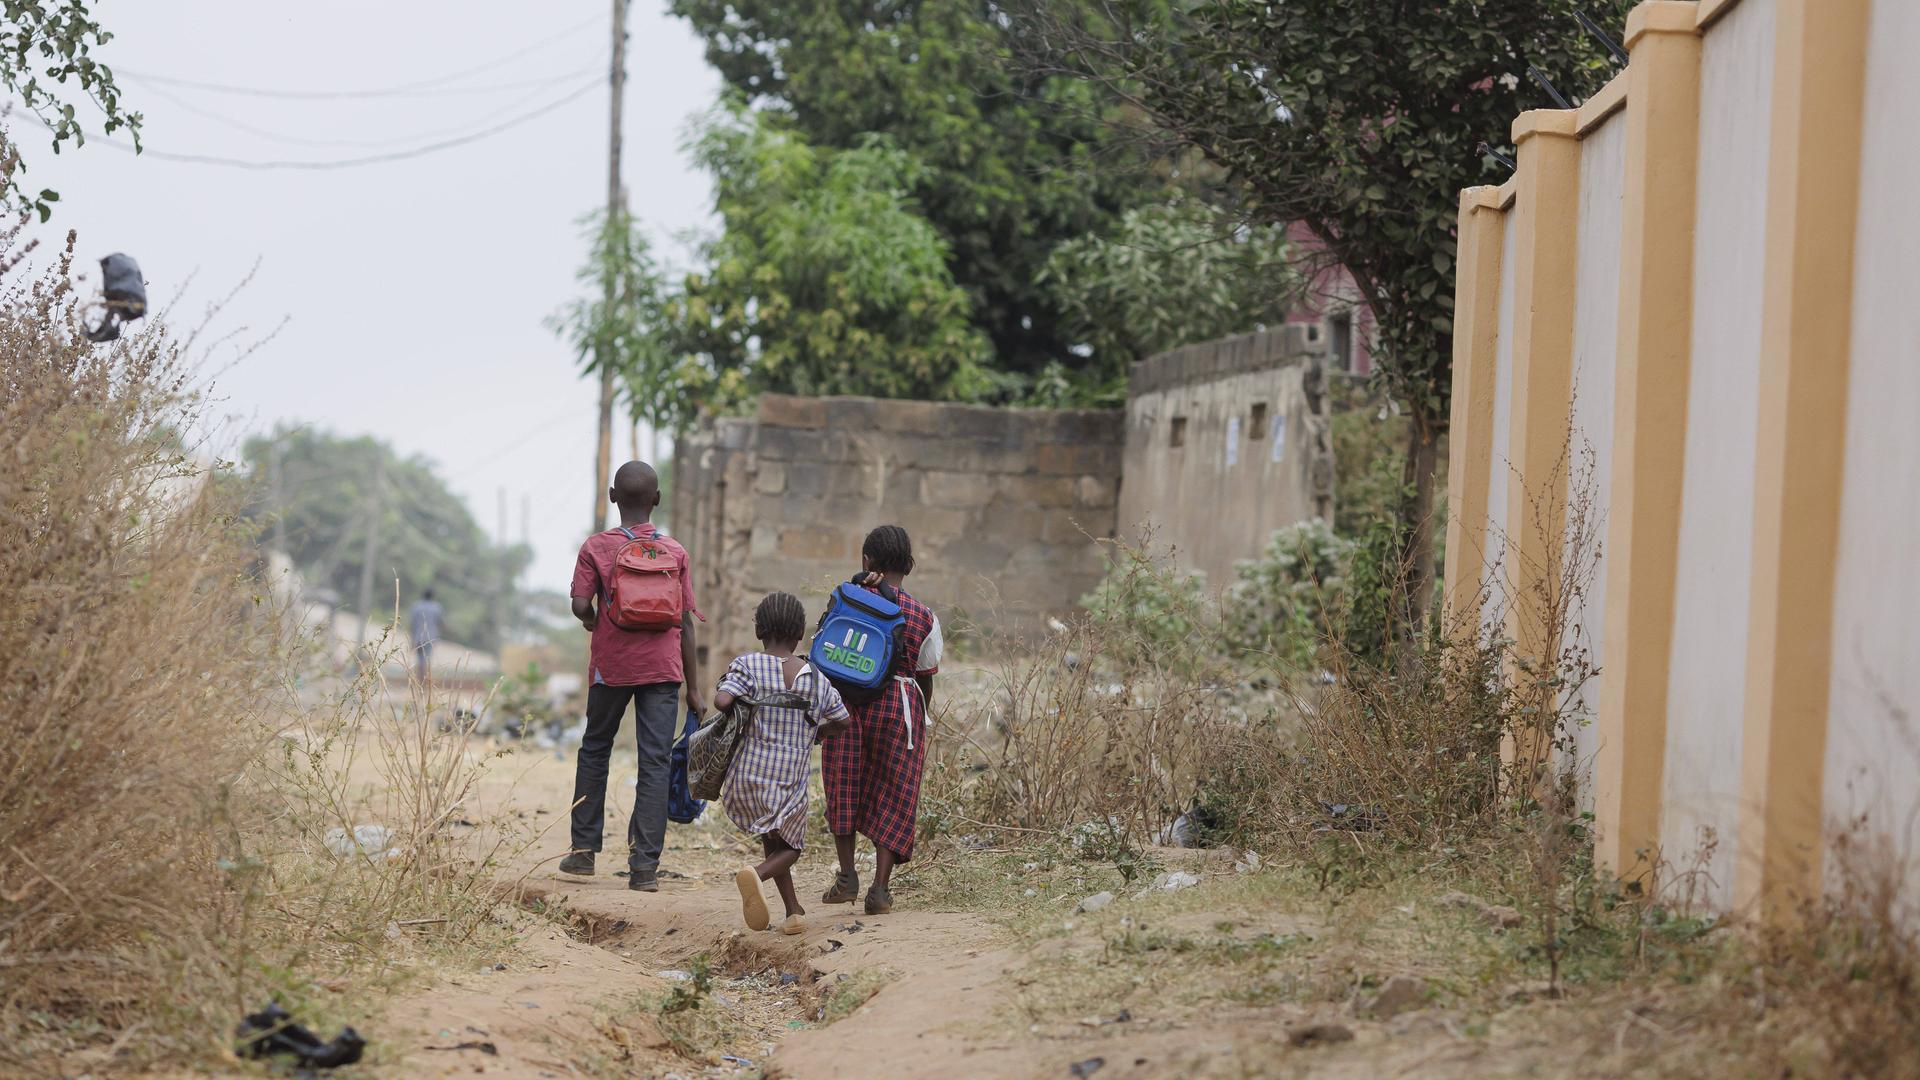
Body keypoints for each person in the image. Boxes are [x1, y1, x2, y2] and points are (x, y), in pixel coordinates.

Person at [559, 460, 703, 891]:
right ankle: (644, 869)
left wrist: (593, 620)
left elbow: (580, 605)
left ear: (612, 496)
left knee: (595, 749)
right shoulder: (674, 551)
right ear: (656, 500)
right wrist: (694, 689)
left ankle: (583, 854)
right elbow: (686, 621)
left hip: (611, 668)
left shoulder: (596, 548)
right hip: (663, 670)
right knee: (655, 761)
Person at [820, 525, 943, 915]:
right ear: (908, 566)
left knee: (843, 782)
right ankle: (880, 889)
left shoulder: (846, 597)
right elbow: (925, 675)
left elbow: (824, 645)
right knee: (894, 791)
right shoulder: (925, 616)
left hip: (846, 705)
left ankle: (846, 876)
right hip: (899, 706)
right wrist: (922, 715)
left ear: (866, 562)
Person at [714, 592, 850, 934]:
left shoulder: (747, 665)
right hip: (789, 779)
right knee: (792, 847)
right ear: (800, 633)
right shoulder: (817, 678)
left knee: (771, 837)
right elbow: (843, 720)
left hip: (748, 774)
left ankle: (793, 911)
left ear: (759, 630)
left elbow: (722, 700)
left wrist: (741, 705)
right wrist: (816, 733)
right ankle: (756, 875)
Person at [407, 589, 444, 683]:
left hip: (418, 637)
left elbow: (412, 623)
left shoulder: (416, 606)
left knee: (419, 660)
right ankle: (425, 681)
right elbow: (440, 622)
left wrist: (411, 639)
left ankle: (419, 681)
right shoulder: (436, 607)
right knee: (427, 659)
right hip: (431, 637)